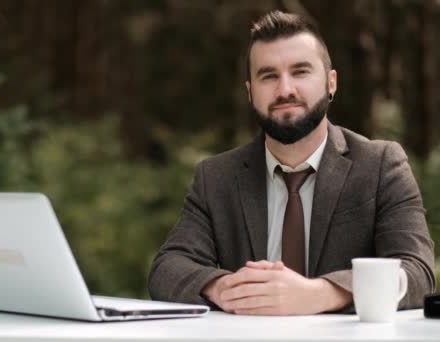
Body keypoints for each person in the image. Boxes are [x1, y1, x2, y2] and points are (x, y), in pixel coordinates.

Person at [148, 10, 435, 315]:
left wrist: (321, 294)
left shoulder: (380, 166)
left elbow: (418, 275)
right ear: (250, 92)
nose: (285, 90)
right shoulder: (216, 177)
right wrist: (223, 288)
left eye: (300, 72)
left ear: (331, 82)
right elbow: (167, 269)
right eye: (268, 76)